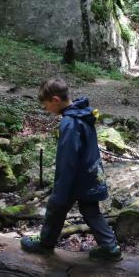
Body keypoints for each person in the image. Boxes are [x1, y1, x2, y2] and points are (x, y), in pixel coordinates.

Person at [20, 78, 122, 261]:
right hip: (91, 173)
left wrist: (60, 189)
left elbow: (67, 160)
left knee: (55, 208)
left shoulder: (69, 123)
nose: (45, 109)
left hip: (76, 177)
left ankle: (45, 244)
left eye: (46, 105)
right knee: (90, 210)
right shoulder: (83, 114)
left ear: (56, 100)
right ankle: (110, 248)